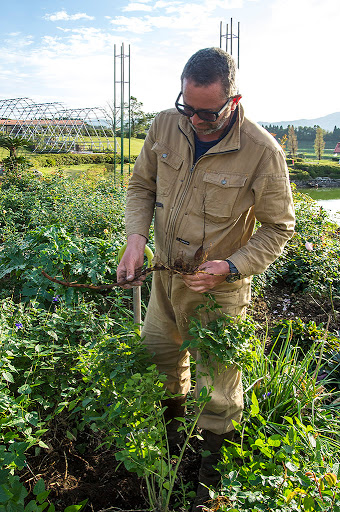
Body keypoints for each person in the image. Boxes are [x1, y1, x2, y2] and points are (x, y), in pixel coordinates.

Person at [117, 47, 295, 511]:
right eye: (187, 108)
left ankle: (210, 481)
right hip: (164, 282)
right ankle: (173, 454)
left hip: (218, 292)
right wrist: (136, 237)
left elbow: (280, 227)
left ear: (234, 101)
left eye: (208, 113)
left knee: (216, 387)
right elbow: (141, 186)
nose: (195, 120)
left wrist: (230, 267)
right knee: (160, 362)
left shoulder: (262, 151)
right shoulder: (163, 126)